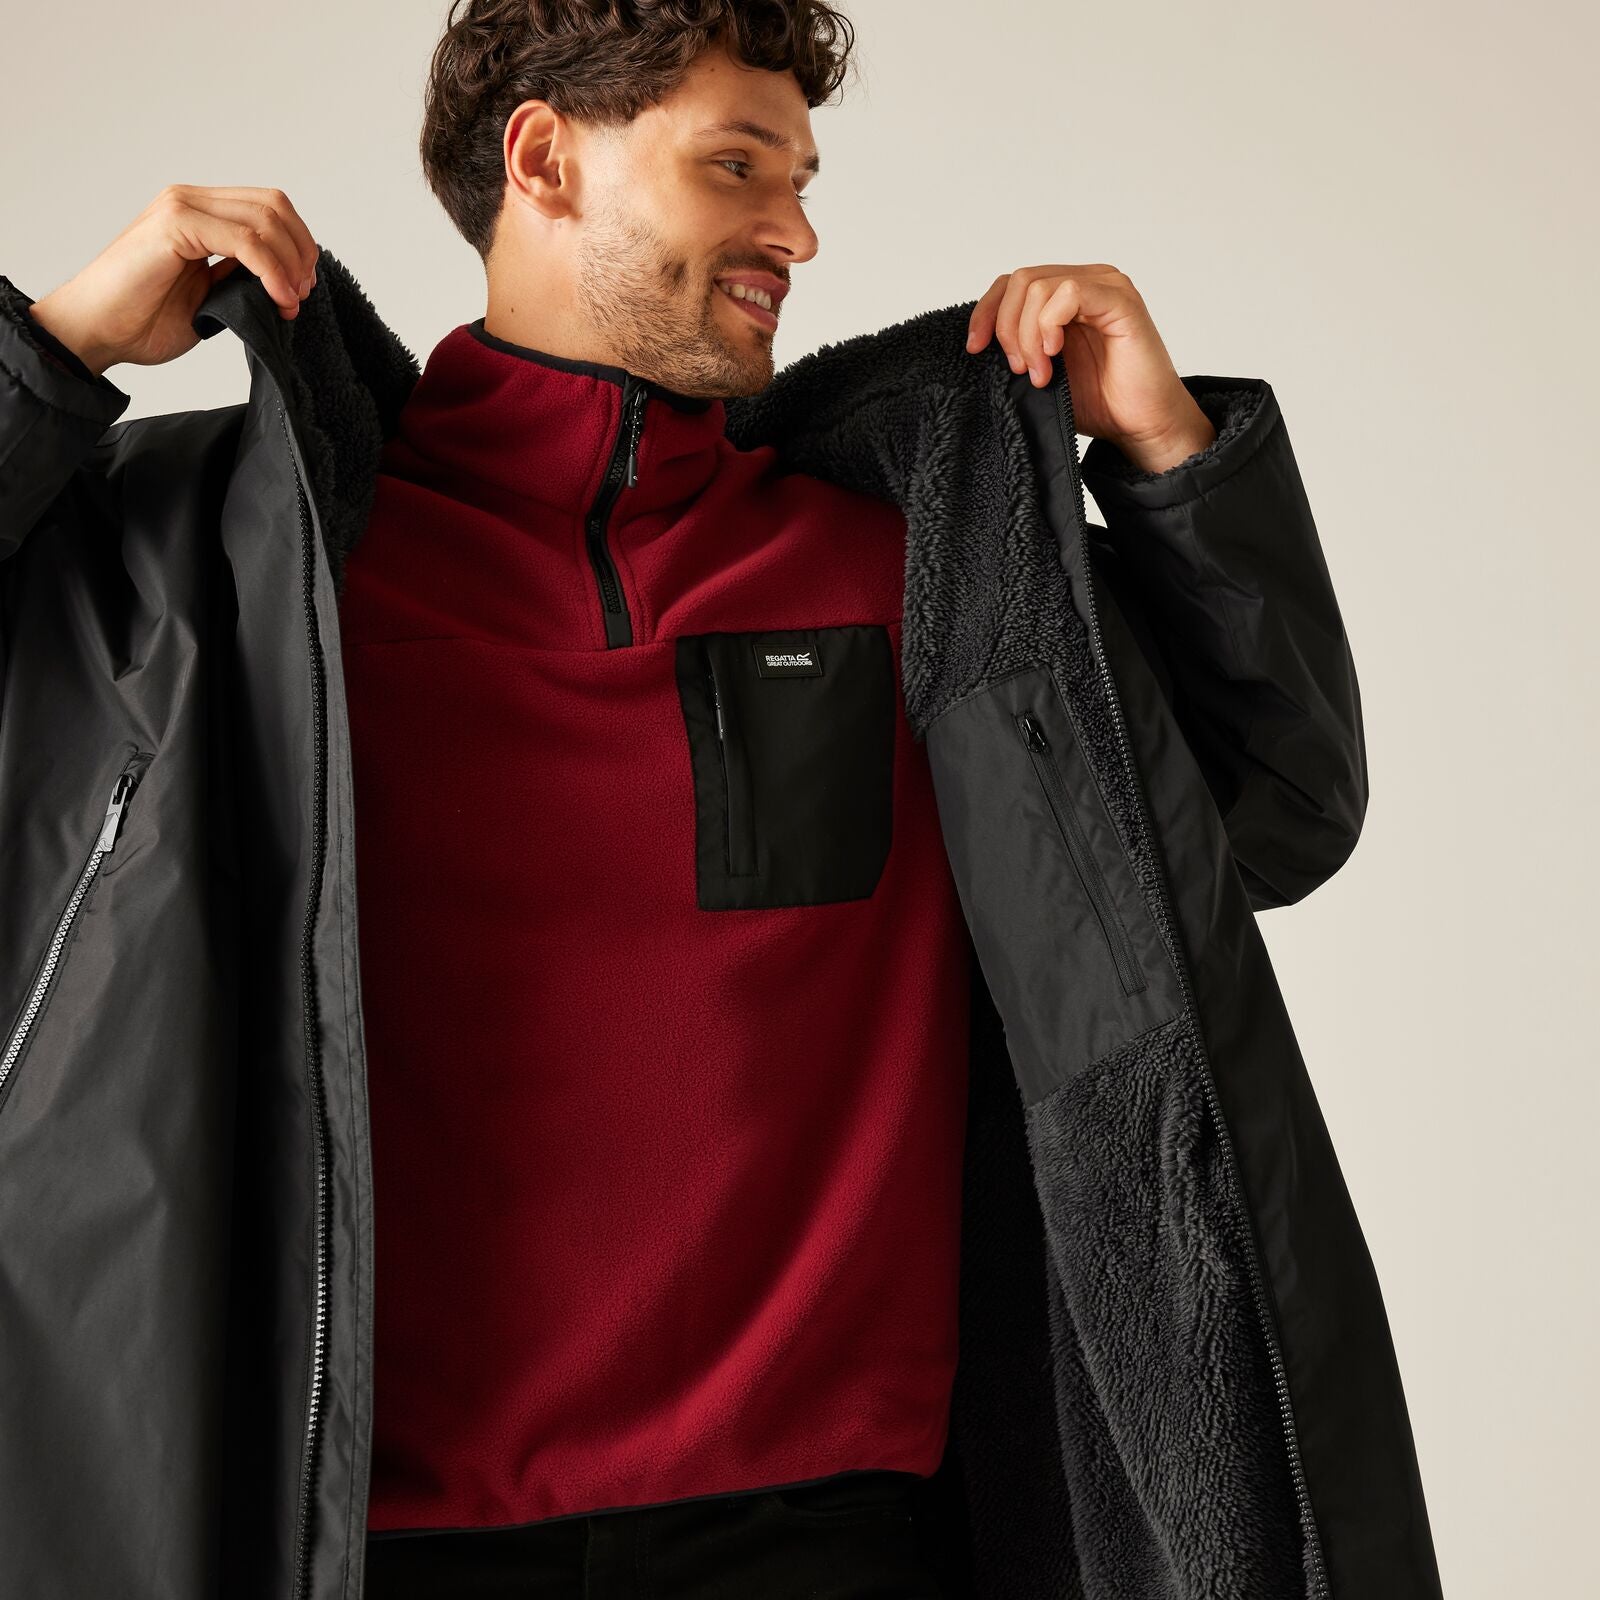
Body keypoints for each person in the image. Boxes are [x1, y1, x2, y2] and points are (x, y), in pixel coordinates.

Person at [0, 4, 1444, 1598]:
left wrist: (1170, 459)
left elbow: (1274, 811)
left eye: (802, 179)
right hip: (371, 1550)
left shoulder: (927, 579)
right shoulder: (251, 569)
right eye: (737, 166)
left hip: (833, 1552)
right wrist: (52, 355)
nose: (797, 234)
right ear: (543, 159)